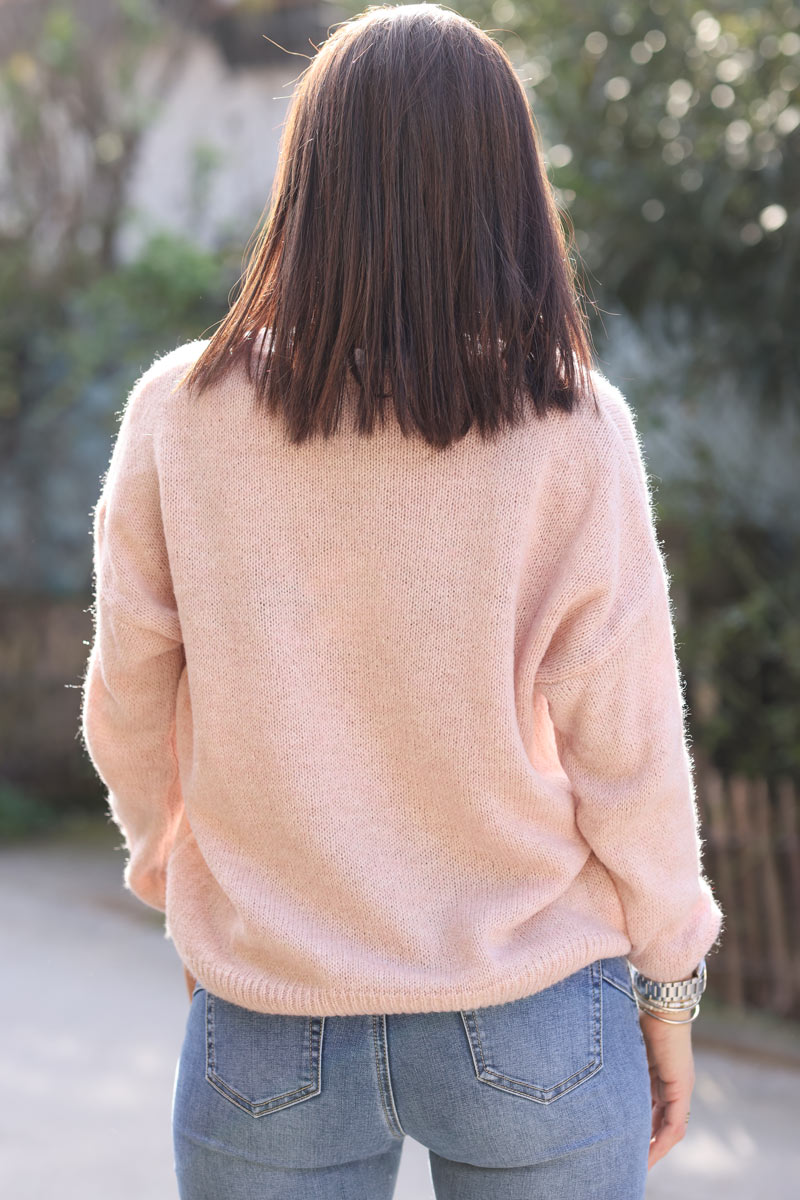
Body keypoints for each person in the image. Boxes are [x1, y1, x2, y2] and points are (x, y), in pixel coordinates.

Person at [79, 4, 724, 1198]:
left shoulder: (179, 411)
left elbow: (126, 699)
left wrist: (181, 879)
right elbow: (627, 747)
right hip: (534, 1008)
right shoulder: (572, 424)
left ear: (308, 176)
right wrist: (668, 984)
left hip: (267, 1013)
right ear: (507, 186)